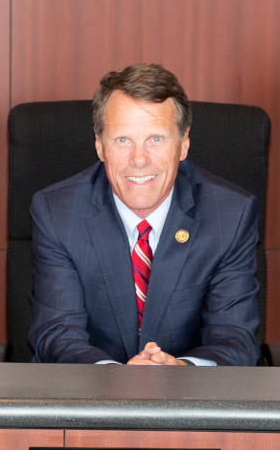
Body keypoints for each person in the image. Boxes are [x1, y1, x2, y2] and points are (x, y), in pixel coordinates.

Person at [29, 65, 260, 366]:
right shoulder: (57, 212)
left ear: (184, 143)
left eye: (156, 139)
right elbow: (57, 335)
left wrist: (181, 370)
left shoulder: (231, 215)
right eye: (123, 140)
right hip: (87, 401)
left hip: (189, 402)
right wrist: (117, 378)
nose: (139, 159)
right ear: (99, 145)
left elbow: (234, 340)